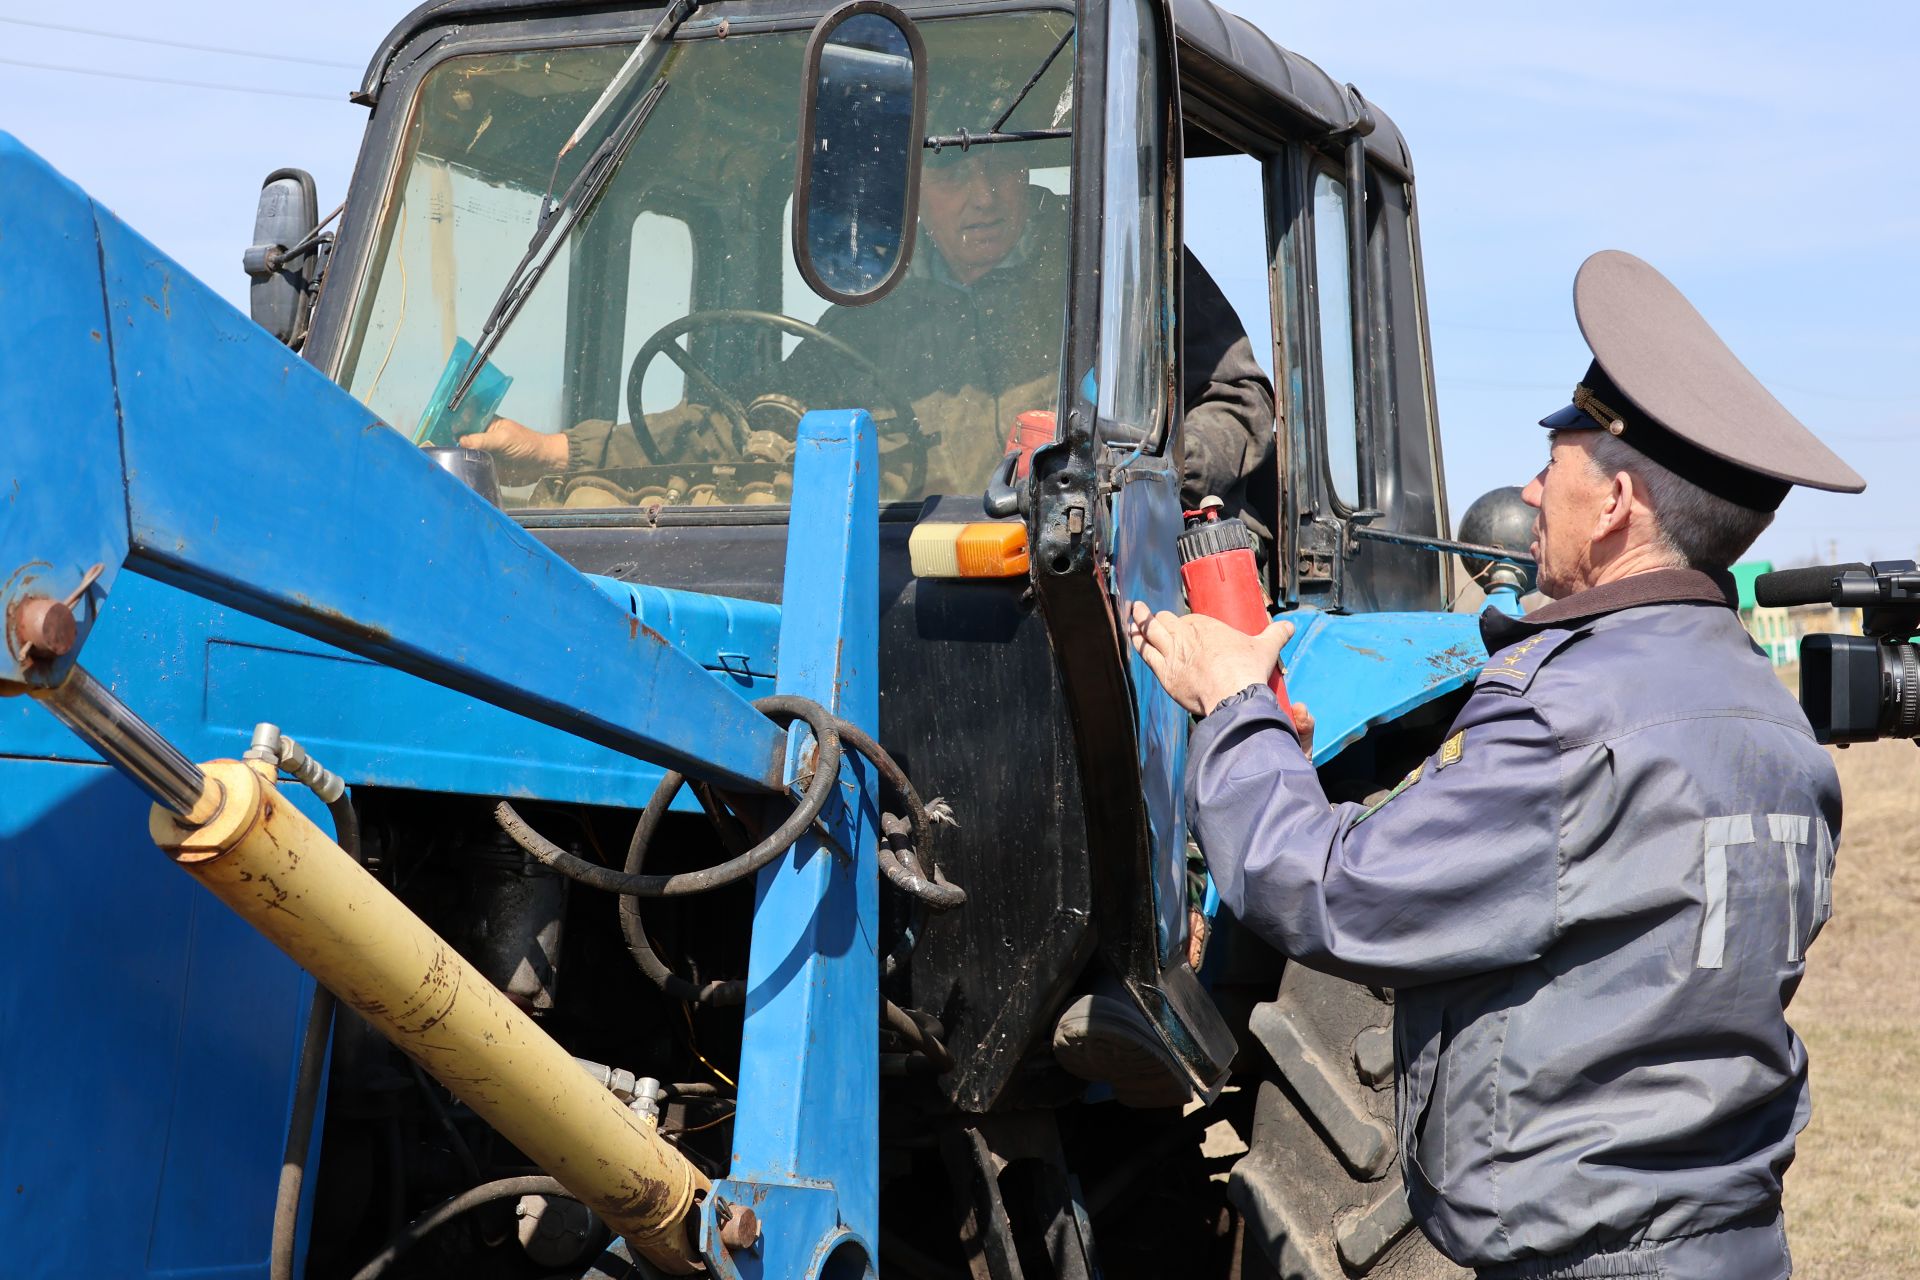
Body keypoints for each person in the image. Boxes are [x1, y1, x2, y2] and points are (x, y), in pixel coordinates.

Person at [1127, 250, 1865, 1279]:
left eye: (1552, 466)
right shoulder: (1770, 722)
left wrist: (1236, 702)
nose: (1529, 489)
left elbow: (1329, 892)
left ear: (1613, 504)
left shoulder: (1566, 711)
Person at [460, 145, 1276, 523]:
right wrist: (563, 453)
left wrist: (1140, 471)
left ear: (1028, 169)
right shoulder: (876, 305)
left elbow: (1241, 400)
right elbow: (759, 421)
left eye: (999, 167)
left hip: (1065, 574)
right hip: (906, 571)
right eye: (954, 173)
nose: (983, 196)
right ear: (914, 189)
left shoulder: (1109, 263)